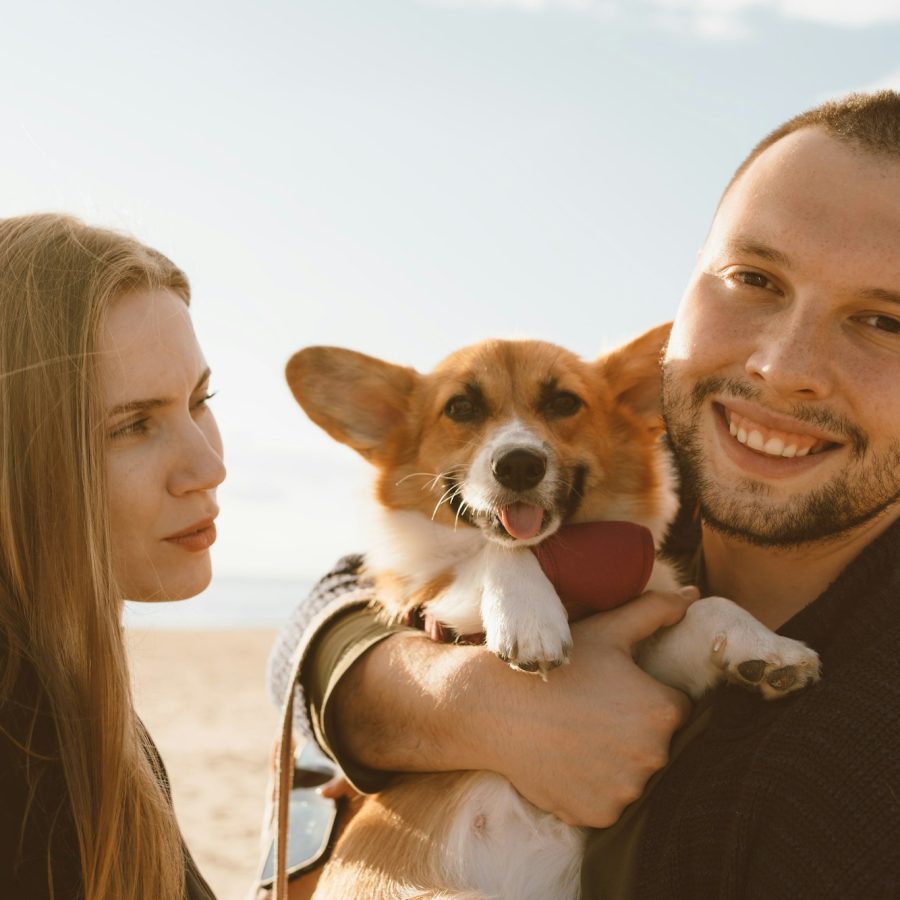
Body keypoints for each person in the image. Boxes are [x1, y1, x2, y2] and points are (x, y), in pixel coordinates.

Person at [267, 90, 900, 897]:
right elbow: (330, 608)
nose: (782, 368)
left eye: (885, 321)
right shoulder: (642, 477)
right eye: (754, 277)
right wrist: (461, 704)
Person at [0, 214, 227, 899]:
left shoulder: (74, 691)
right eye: (132, 426)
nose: (208, 466)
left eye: (200, 400)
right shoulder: (28, 744)